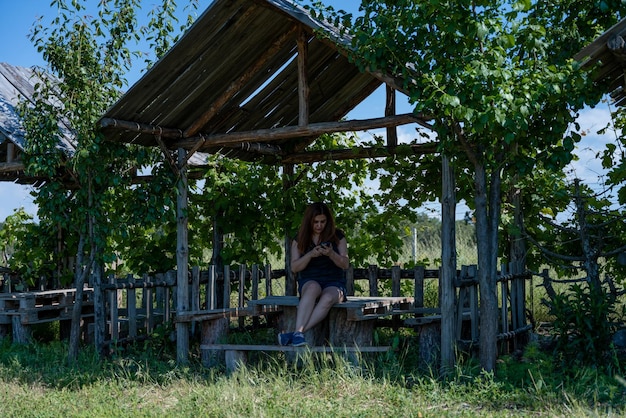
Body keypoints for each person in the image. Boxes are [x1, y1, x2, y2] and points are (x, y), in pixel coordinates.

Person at [278, 202, 350, 347]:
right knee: (312, 289)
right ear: (309, 221)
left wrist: (331, 254)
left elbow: (345, 264)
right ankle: (297, 334)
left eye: (323, 221)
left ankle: (296, 333)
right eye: (315, 222)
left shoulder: (338, 236)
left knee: (328, 297)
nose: (319, 225)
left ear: (328, 221)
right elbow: (295, 267)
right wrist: (310, 254)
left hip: (334, 282)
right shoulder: (300, 238)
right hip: (309, 280)